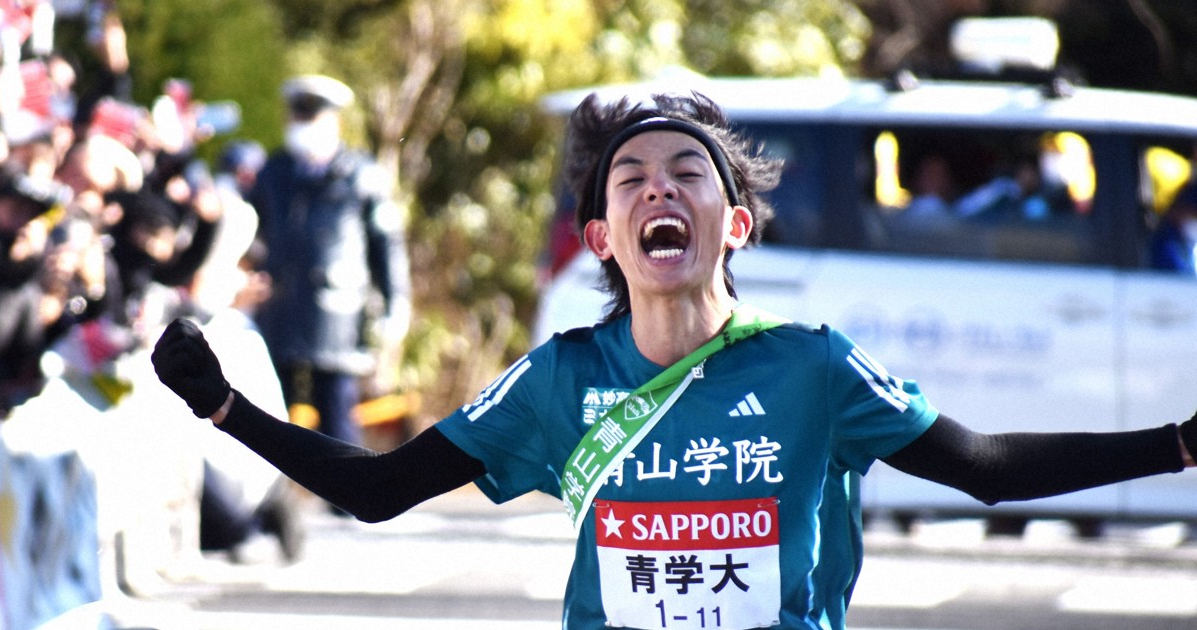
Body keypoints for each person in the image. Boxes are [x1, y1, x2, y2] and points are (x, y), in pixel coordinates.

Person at [152, 92, 1197, 630]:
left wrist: (1183, 444)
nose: (659, 188)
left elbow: (986, 467)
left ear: (734, 223)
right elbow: (379, 491)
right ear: (602, 239)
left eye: (688, 173)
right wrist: (224, 408)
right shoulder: (560, 379)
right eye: (632, 180)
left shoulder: (812, 368)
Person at [247, 74, 411, 449]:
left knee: (337, 417)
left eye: (312, 118)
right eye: (298, 117)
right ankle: (278, 487)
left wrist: (395, 304)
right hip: (281, 309)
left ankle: (346, 486)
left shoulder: (362, 174)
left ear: (333, 121)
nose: (302, 126)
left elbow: (387, 245)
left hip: (337, 315)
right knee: (269, 415)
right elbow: (253, 233)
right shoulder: (274, 172)